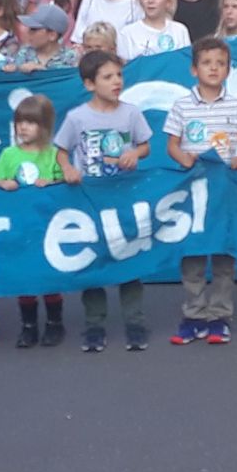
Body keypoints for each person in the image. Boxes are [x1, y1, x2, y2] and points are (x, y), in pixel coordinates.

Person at [55, 51, 152, 352]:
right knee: (94, 259)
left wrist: (134, 154)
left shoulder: (131, 113)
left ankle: (134, 322)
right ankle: (94, 324)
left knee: (129, 257)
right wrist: (68, 168)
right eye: (107, 77)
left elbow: (146, 145)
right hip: (90, 199)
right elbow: (60, 150)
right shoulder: (77, 117)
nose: (116, 82)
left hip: (123, 195)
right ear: (89, 84)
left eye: (119, 76)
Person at [164, 37, 237, 345]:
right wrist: (182, 157)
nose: (213, 68)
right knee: (193, 255)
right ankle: (193, 315)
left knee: (224, 257)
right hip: (194, 191)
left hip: (225, 190)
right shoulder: (182, 105)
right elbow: (172, 144)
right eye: (207, 63)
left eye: (220, 63)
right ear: (193, 69)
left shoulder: (236, 106)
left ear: (228, 69)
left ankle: (220, 316)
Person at [0, 95, 67, 348]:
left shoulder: (53, 154)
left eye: (30, 122)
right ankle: (29, 325)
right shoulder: (9, 154)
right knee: (25, 276)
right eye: (19, 122)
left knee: (48, 276)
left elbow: (66, 186)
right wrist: (3, 184)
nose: (23, 127)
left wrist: (52, 184)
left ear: (44, 126)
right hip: (19, 226)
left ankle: (55, 323)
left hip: (46, 226)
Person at [117, 0, 191, 60]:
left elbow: (186, 64)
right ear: (139, 0)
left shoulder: (180, 30)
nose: (150, 1)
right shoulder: (127, 33)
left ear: (168, 1)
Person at [9, 3, 78, 71]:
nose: (28, 32)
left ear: (52, 35)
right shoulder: (23, 53)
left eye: (33, 29)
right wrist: (15, 70)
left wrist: (43, 72)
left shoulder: (71, 59)